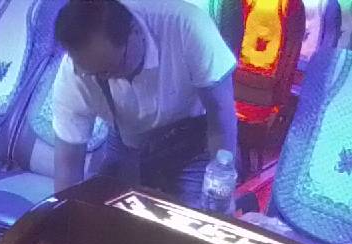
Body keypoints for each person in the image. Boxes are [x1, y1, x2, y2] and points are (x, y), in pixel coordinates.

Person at [51, 0, 238, 207]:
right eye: (96, 74)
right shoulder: (75, 74)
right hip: (128, 142)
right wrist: (64, 215)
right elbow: (68, 169)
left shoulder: (187, 27)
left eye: (111, 68)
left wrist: (221, 189)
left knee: (194, 220)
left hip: (194, 143)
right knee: (107, 214)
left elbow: (220, 116)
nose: (107, 78)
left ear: (135, 32)